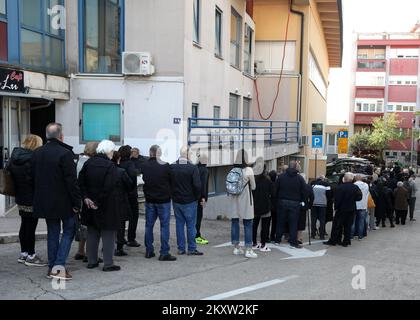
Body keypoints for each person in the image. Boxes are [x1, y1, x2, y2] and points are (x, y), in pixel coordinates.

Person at [33, 123, 82, 280]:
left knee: (53, 233)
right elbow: (71, 182)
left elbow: (32, 178)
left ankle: (52, 267)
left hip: (45, 201)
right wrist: (77, 203)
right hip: (64, 201)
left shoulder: (37, 153)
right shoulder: (65, 154)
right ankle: (58, 267)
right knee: (69, 231)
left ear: (46, 136)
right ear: (61, 136)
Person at [78, 140, 121, 272]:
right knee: (108, 234)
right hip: (106, 205)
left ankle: (92, 261)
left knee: (92, 232)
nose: (113, 153)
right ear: (108, 151)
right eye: (112, 151)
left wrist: (86, 198)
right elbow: (109, 187)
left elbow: (80, 181)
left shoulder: (88, 163)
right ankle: (108, 263)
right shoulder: (110, 166)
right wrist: (97, 201)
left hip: (89, 205)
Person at [9, 134, 46, 267]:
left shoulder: (15, 156)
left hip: (20, 196)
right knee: (31, 227)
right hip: (32, 197)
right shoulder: (33, 159)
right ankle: (31, 255)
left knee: (24, 224)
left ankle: (23, 253)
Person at [142, 145, 176, 261]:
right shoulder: (166, 166)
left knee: (149, 225)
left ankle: (149, 250)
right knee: (164, 226)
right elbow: (171, 181)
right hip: (163, 200)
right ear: (158, 153)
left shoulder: (144, 165)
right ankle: (164, 252)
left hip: (150, 199)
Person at [170, 147, 203, 256]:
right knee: (190, 225)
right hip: (189, 200)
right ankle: (192, 248)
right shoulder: (192, 168)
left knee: (179, 224)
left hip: (176, 200)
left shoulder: (172, 166)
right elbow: (197, 185)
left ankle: (181, 248)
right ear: (188, 154)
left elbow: (169, 183)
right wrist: (197, 197)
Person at [228, 150, 257, 258]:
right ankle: (248, 249)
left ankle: (236, 247)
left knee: (235, 223)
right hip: (245, 201)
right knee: (248, 224)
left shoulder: (232, 170)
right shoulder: (248, 170)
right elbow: (253, 187)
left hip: (233, 201)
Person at [74, 142, 98, 262]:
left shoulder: (80, 160)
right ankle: (89, 253)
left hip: (79, 197)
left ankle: (80, 250)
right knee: (90, 225)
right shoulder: (89, 163)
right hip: (87, 197)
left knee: (83, 224)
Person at [324, 173, 362, 247]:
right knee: (348, 226)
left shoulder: (340, 187)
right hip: (351, 209)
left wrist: (336, 208)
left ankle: (334, 240)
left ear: (345, 179)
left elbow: (337, 199)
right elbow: (359, 197)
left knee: (337, 226)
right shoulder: (355, 187)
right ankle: (346, 241)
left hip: (341, 209)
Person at [275, 161, 307, 249]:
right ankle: (293, 242)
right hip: (295, 203)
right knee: (293, 223)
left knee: (280, 221)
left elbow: (276, 190)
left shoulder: (281, 177)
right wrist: (303, 201)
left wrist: (276, 200)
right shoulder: (300, 178)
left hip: (282, 201)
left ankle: (277, 239)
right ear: (296, 167)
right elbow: (304, 191)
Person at [112, 151, 134, 257]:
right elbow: (130, 184)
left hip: (108, 200)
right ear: (118, 159)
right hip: (121, 200)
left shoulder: (107, 169)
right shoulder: (121, 171)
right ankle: (119, 248)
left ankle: (107, 246)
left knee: (109, 225)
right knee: (121, 225)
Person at [119, 145, 141, 248]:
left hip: (120, 194)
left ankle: (120, 238)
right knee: (133, 216)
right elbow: (132, 179)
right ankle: (131, 238)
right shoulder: (130, 164)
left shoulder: (117, 163)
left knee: (121, 218)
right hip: (130, 194)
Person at [252, 165, 274, 252]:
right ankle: (263, 245)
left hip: (254, 206)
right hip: (265, 206)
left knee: (254, 226)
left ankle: (254, 243)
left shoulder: (253, 180)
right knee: (265, 227)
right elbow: (273, 193)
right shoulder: (268, 181)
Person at [195, 152, 210, 245]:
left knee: (193, 218)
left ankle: (193, 235)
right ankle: (197, 236)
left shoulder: (195, 168)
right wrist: (203, 197)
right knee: (198, 217)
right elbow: (203, 184)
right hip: (200, 197)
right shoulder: (204, 170)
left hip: (192, 197)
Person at [311, 176, 331, 240]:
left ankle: (313, 234)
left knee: (313, 220)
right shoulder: (326, 184)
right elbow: (329, 195)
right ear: (323, 179)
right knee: (322, 220)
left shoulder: (312, 183)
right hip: (322, 204)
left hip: (313, 204)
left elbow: (309, 192)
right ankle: (321, 235)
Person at [352, 175, 370, 241]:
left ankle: (351, 235)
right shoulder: (366, 185)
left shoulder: (353, 185)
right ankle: (360, 236)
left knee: (353, 221)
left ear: (355, 179)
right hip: (363, 205)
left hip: (355, 205)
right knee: (361, 221)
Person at [268, 170, 278, 242]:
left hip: (268, 206)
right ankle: (272, 236)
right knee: (274, 222)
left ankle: (266, 236)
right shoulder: (277, 185)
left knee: (267, 222)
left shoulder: (268, 184)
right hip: (276, 206)